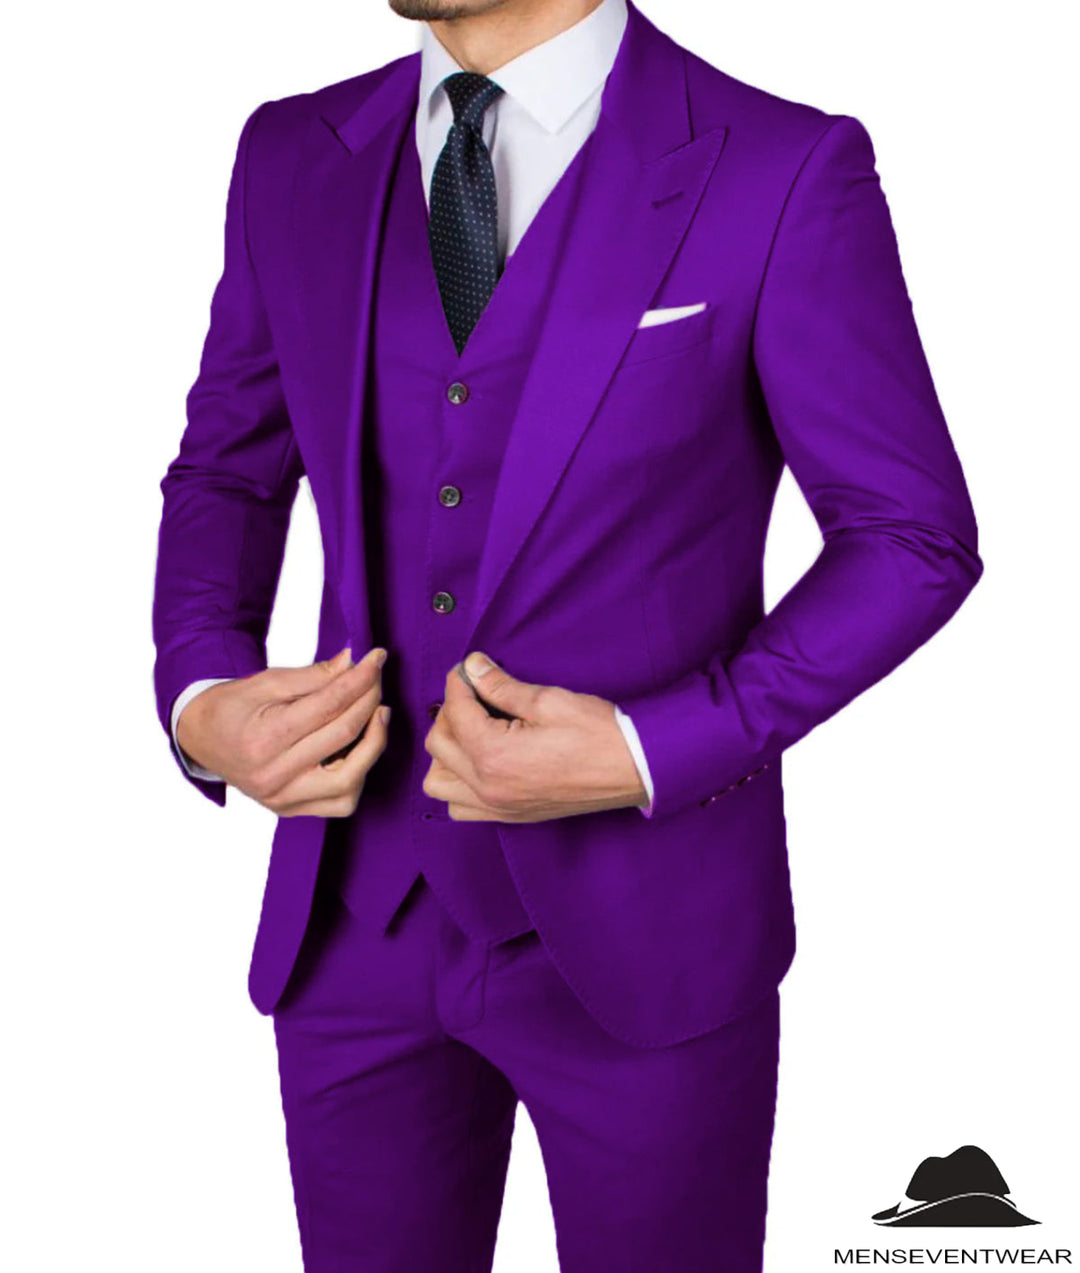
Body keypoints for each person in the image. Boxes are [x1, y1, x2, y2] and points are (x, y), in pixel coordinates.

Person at [151, 0, 983, 1268]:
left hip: (651, 934)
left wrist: (659, 745)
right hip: (352, 926)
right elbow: (227, 471)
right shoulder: (291, 153)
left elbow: (911, 537)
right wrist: (201, 694)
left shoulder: (780, 167)